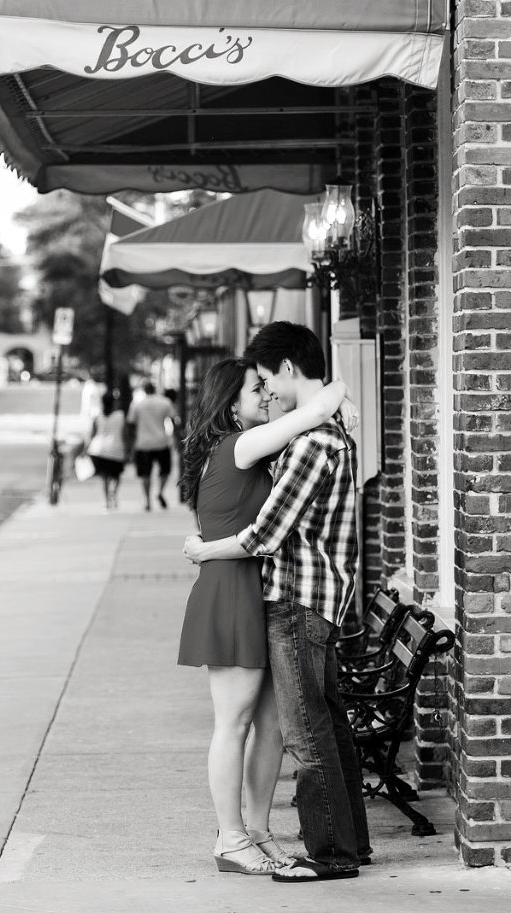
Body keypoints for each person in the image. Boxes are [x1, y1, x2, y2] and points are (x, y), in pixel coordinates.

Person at [184, 322, 372, 884]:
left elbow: (266, 531)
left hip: (281, 594)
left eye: (266, 382)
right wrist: (338, 392)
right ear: (232, 405)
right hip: (247, 591)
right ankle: (234, 836)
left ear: (287, 370)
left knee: (289, 727)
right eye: (253, 390)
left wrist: (205, 547)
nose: (264, 395)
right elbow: (310, 415)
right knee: (249, 724)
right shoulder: (245, 444)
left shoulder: (299, 443)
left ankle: (267, 834)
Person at [126, 381, 175, 511]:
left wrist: (131, 443)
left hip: (143, 443)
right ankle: (160, 492)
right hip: (161, 441)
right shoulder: (164, 402)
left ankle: (147, 501)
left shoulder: (137, 405)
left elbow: (131, 424)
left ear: (144, 390)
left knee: (145, 474)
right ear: (154, 389)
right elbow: (173, 419)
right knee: (165, 471)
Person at [87, 393, 127, 509]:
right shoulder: (120, 416)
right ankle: (113, 493)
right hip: (116, 450)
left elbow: (91, 435)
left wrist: (85, 450)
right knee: (116, 476)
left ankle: (106, 501)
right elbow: (125, 435)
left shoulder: (98, 416)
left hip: (99, 450)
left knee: (104, 477)